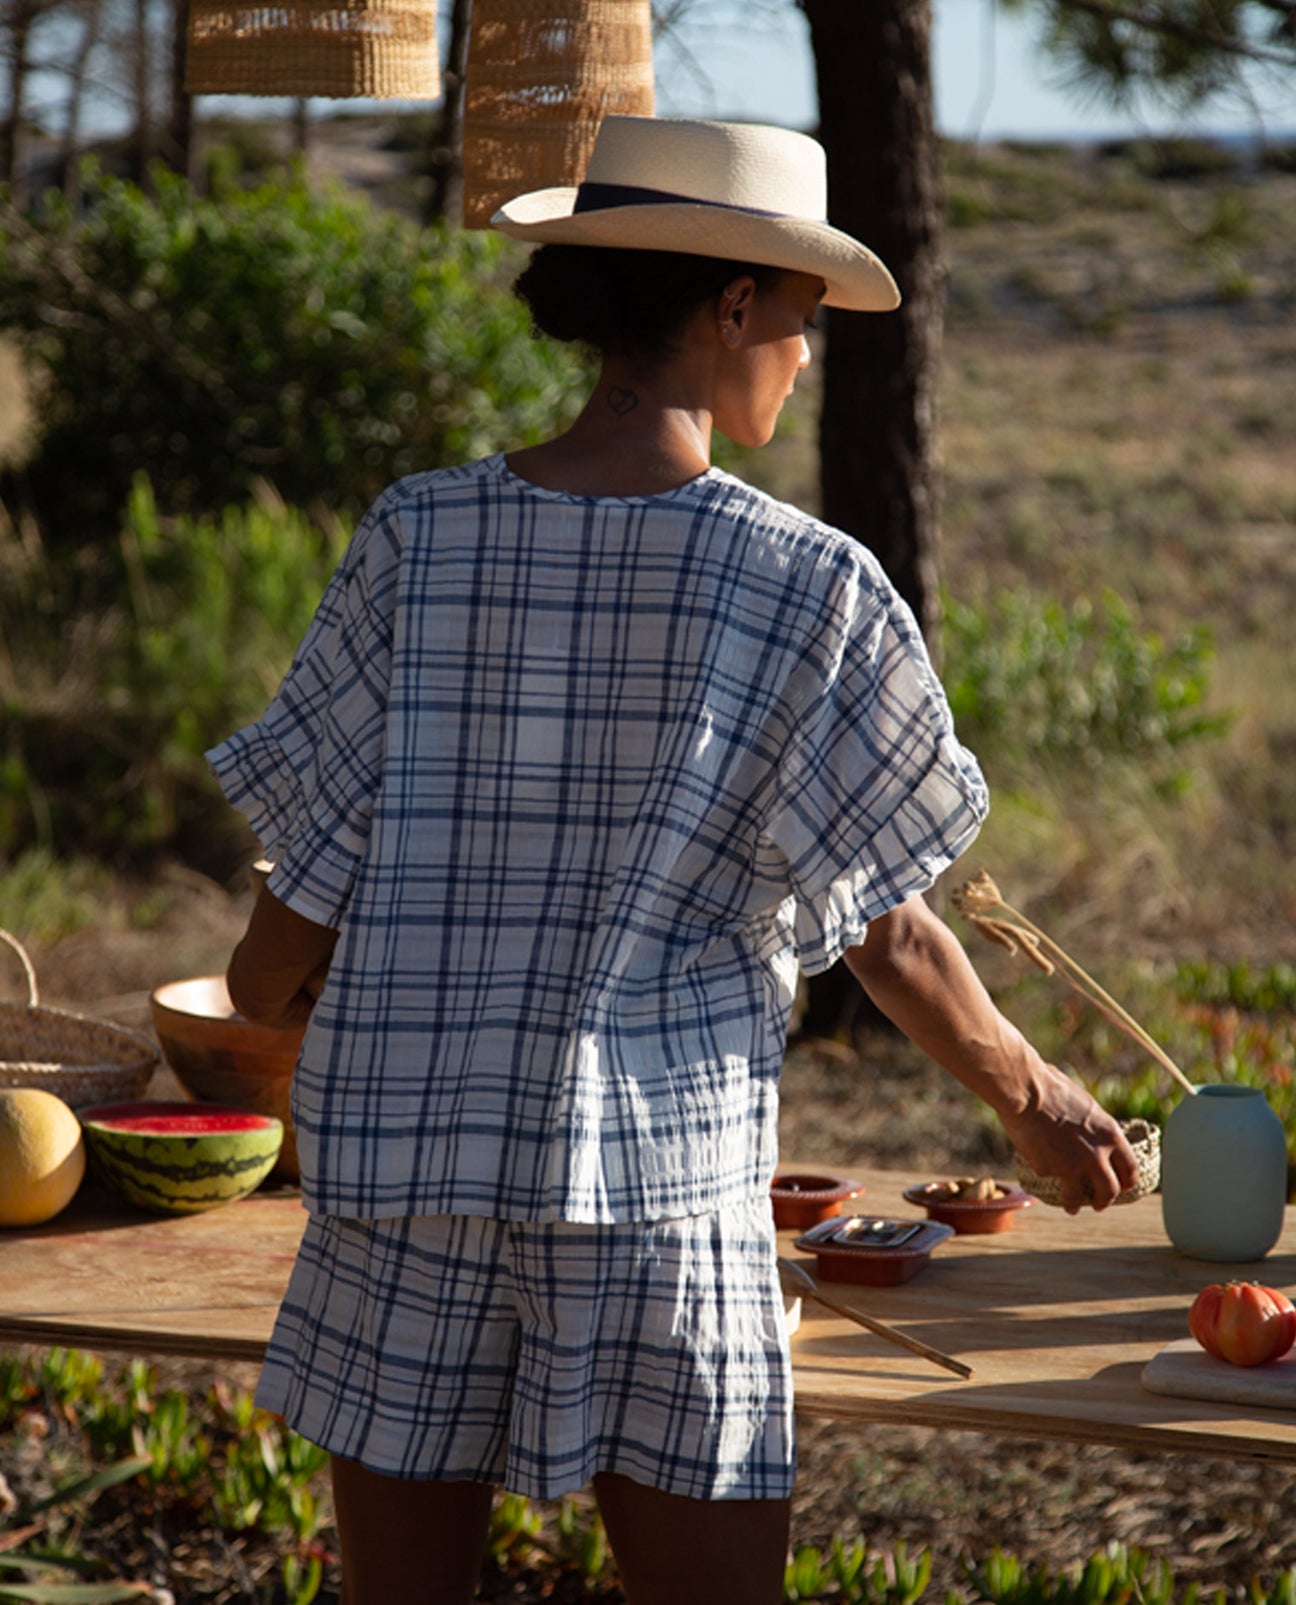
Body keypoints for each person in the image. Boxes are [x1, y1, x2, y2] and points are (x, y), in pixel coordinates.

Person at [209, 115, 1139, 1605]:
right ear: (725, 308)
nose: (810, 350)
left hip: (401, 1184)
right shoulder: (808, 586)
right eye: (800, 314)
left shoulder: (416, 536)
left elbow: (278, 942)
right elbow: (884, 933)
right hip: (655, 1195)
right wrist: (1036, 1099)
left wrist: (282, 1019)